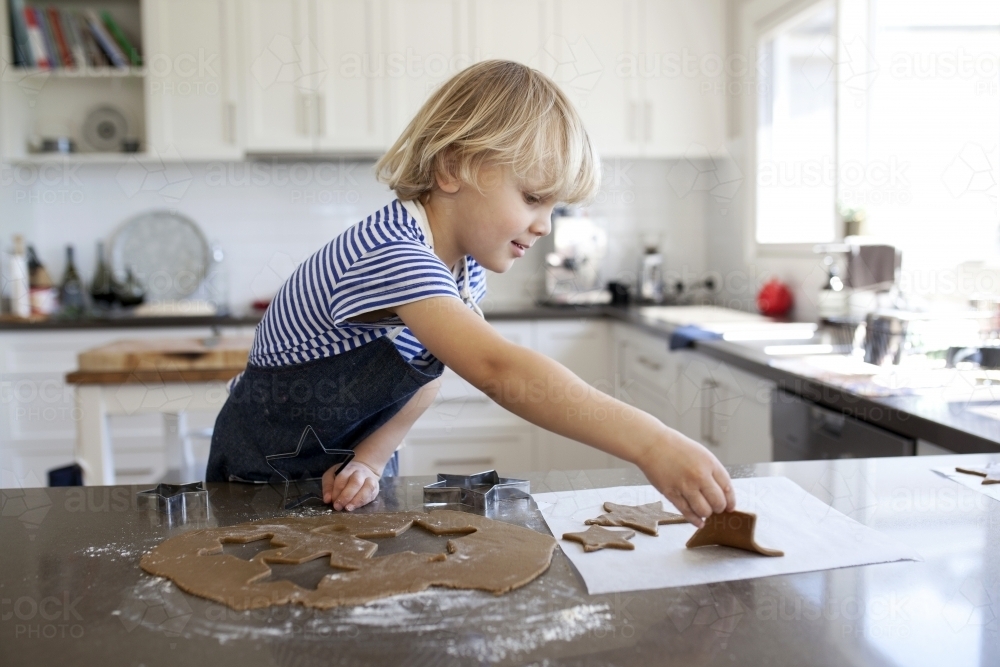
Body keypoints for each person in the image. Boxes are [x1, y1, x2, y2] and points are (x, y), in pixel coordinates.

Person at [207, 60, 735, 527]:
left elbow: (424, 377)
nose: (545, 226)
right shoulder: (393, 252)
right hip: (260, 479)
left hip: (346, 476)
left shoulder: (460, 268)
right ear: (453, 167)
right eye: (532, 197)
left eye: (554, 208)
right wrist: (651, 442)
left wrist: (370, 458)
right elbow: (497, 368)